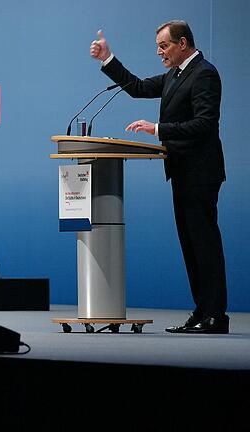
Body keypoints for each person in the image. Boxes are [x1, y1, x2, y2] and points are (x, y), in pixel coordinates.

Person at [90, 21, 229, 334]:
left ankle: (216, 315)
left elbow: (205, 124)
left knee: (204, 244)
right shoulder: (175, 75)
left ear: (182, 44)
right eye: (158, 46)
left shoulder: (204, 72)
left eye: (164, 46)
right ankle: (202, 310)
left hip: (200, 172)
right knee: (190, 245)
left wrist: (158, 129)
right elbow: (138, 88)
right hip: (182, 171)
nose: (159, 52)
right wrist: (108, 59)